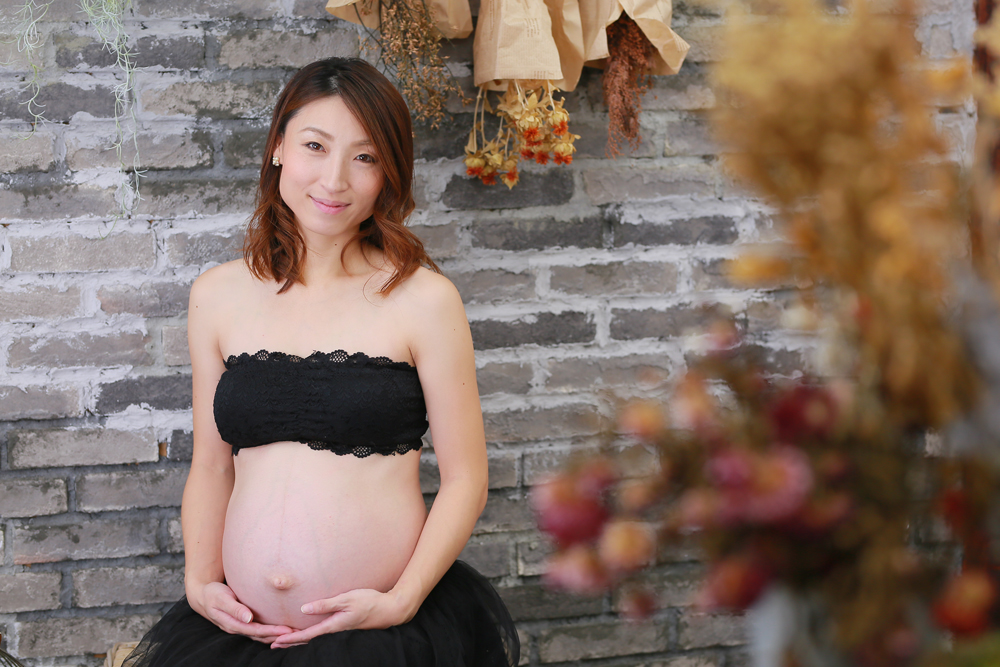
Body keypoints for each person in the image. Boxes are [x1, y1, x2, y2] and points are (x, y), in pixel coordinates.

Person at [124, 57, 518, 667]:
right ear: (279, 148)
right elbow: (212, 465)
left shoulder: (425, 300)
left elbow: (466, 479)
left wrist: (403, 599)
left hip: (382, 635)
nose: (334, 179)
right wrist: (199, 581)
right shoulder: (217, 295)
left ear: (388, 173)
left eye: (365, 157)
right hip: (239, 636)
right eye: (315, 146)